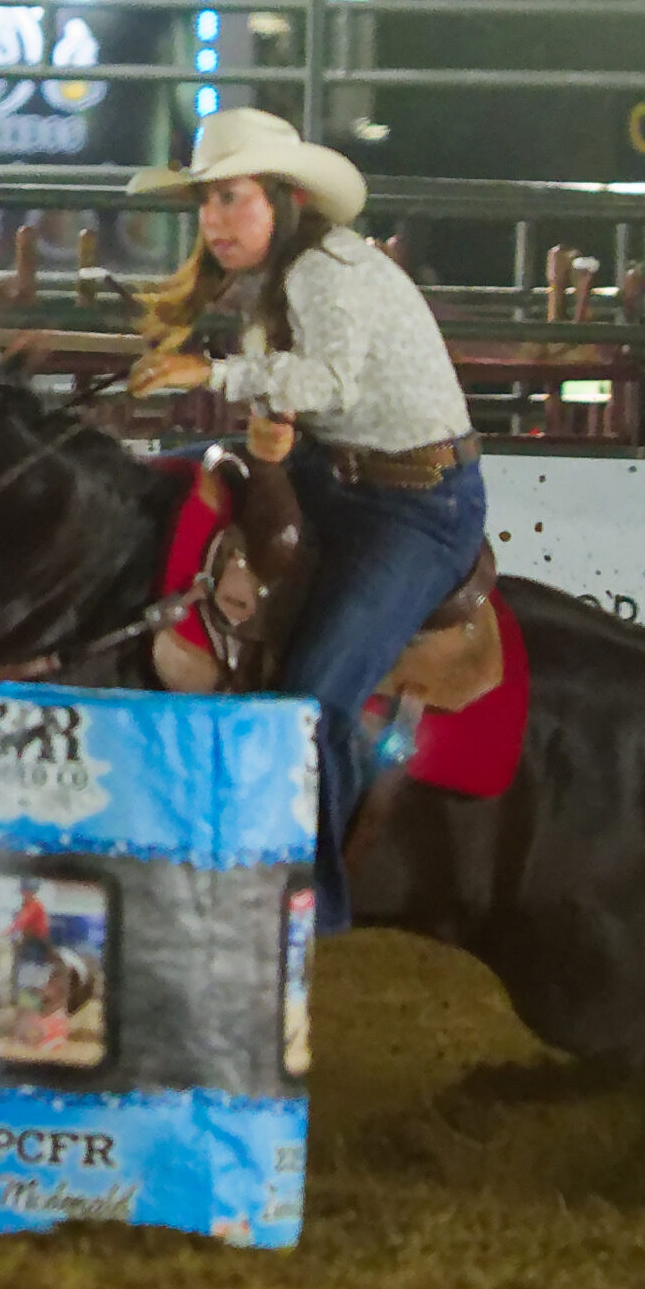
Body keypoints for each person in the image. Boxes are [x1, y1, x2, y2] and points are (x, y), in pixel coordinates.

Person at [126, 107, 485, 923]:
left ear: (282, 200)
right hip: (348, 478)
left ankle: (314, 902)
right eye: (207, 203)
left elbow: (331, 385)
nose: (214, 220)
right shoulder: (280, 276)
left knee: (316, 697)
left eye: (232, 199)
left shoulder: (325, 269)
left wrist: (210, 376)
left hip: (419, 506)